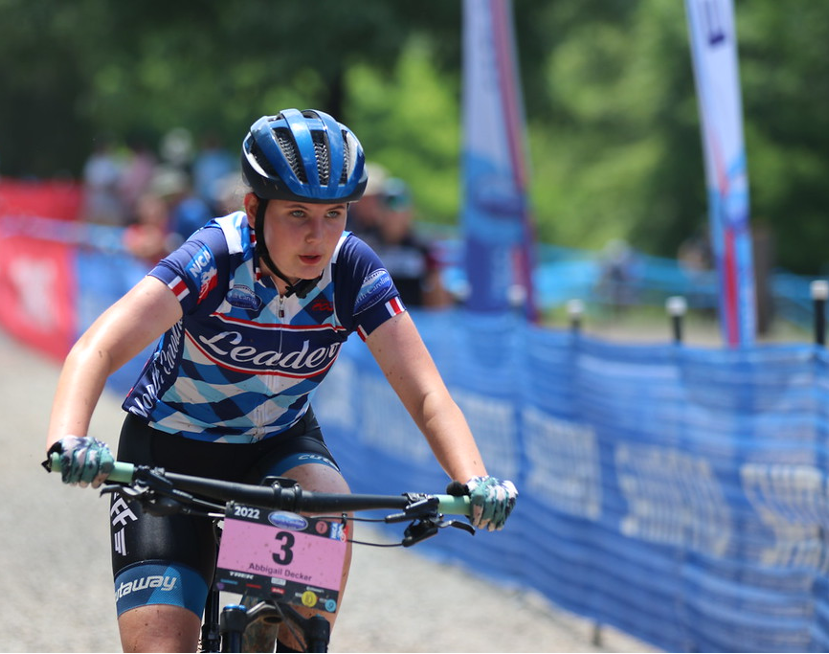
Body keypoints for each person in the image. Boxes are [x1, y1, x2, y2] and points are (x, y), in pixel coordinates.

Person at [45, 108, 517, 653]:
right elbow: (96, 348)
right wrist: (69, 438)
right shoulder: (214, 257)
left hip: (276, 447)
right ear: (253, 208)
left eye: (334, 214)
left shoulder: (352, 270)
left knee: (328, 500)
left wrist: (473, 479)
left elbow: (427, 393)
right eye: (297, 213)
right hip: (170, 450)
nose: (318, 236)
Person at [365, 177, 452, 309]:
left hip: (413, 316)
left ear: (410, 212)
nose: (394, 215)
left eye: (401, 208)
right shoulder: (366, 246)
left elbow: (438, 296)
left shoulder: (423, 248)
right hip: (376, 316)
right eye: (389, 208)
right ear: (378, 212)